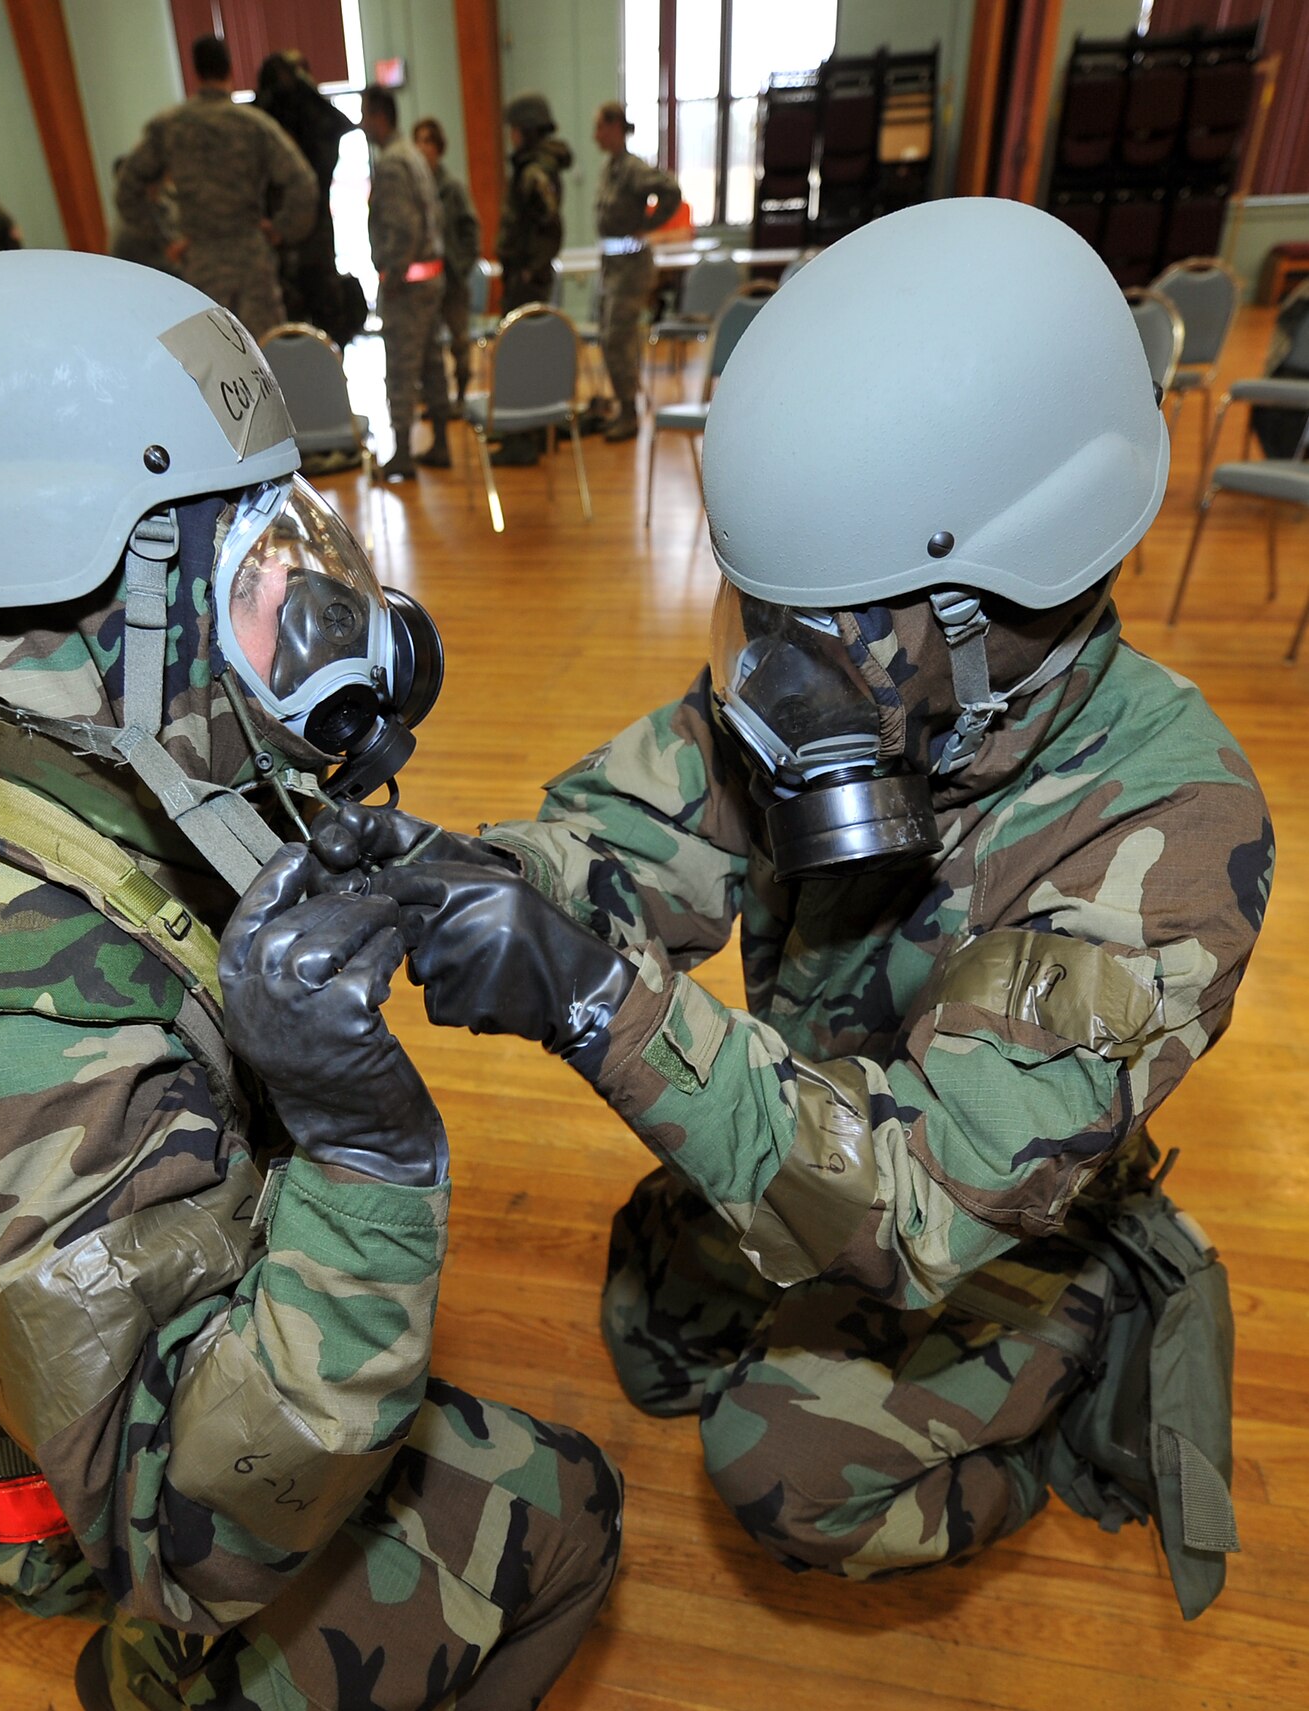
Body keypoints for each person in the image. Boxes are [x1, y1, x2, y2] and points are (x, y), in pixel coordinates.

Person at [0, 250, 621, 1711]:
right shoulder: (8, 1027)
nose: (309, 604)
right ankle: (186, 1703)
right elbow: (202, 1522)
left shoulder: (47, 753)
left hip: (47, 1305)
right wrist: (368, 1157)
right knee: (557, 1517)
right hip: (161, 1505)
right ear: (106, 592)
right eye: (252, 560)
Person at [315, 199, 1271, 1618]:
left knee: (784, 1465)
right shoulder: (847, 692)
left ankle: (1067, 1364)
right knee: (652, 1325)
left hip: (980, 1205)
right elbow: (613, 843)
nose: (777, 667)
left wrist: (597, 1000)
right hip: (825, 1120)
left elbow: (918, 1199)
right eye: (770, 616)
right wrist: (454, 883)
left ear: (1000, 585)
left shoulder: (1172, 826)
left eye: (829, 624)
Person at [117, 34, 317, 339]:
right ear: (230, 69)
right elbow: (303, 183)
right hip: (252, 262)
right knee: (263, 358)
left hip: (202, 263)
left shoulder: (171, 126)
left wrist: (165, 240)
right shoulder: (254, 124)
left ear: (196, 72)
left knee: (214, 360)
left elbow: (127, 188)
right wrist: (281, 229)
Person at [360, 85, 448, 481]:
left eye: (365, 115)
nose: (363, 125)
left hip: (407, 286)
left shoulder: (393, 162)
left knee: (400, 366)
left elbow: (403, 227)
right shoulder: (413, 156)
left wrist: (392, 275)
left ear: (380, 116)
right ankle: (442, 442)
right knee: (431, 364)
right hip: (430, 279)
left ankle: (401, 453)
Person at [253, 50, 360, 345]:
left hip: (307, 245)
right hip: (290, 248)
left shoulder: (311, 123)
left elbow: (338, 123)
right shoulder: (275, 122)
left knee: (319, 332)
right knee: (290, 336)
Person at [592, 101, 679, 443]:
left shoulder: (631, 168)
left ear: (615, 127)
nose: (595, 135)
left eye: (600, 127)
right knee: (610, 336)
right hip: (613, 265)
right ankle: (623, 403)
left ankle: (628, 412)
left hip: (631, 266)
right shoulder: (610, 167)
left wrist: (650, 225)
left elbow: (669, 191)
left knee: (617, 337)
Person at [494, 93, 572, 466]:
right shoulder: (535, 166)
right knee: (528, 355)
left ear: (525, 130)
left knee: (520, 356)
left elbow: (551, 225)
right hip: (526, 276)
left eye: (514, 130)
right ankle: (530, 435)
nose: (511, 137)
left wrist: (531, 268)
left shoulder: (534, 171)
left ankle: (523, 440)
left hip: (526, 279)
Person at [413, 118, 482, 415]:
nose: (423, 147)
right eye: (419, 141)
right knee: (428, 346)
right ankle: (435, 401)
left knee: (459, 342)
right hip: (425, 281)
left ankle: (463, 397)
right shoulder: (414, 188)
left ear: (438, 147)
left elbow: (471, 229)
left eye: (429, 141)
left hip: (453, 280)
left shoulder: (452, 187)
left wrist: (463, 265)